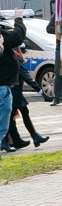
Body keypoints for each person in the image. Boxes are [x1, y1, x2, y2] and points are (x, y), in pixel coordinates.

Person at [4, 48, 48, 150]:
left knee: (17, 115)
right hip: (15, 90)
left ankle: (29, 137)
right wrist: (37, 87)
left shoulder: (6, 55)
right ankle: (11, 140)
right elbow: (23, 73)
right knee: (13, 117)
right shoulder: (14, 56)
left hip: (11, 89)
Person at [0, 10, 25, 158]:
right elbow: (17, 37)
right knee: (5, 111)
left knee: (7, 111)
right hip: (2, 84)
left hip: (5, 84)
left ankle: (5, 140)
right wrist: (18, 20)